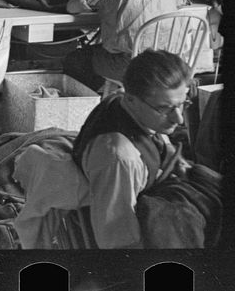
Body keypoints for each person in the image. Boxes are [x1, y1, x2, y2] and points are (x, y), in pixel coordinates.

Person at [72, 50, 200, 248]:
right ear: (131, 99)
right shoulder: (120, 158)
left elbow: (160, 133)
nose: (179, 118)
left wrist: (171, 152)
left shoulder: (120, 100)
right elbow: (118, 239)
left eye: (182, 104)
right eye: (165, 109)